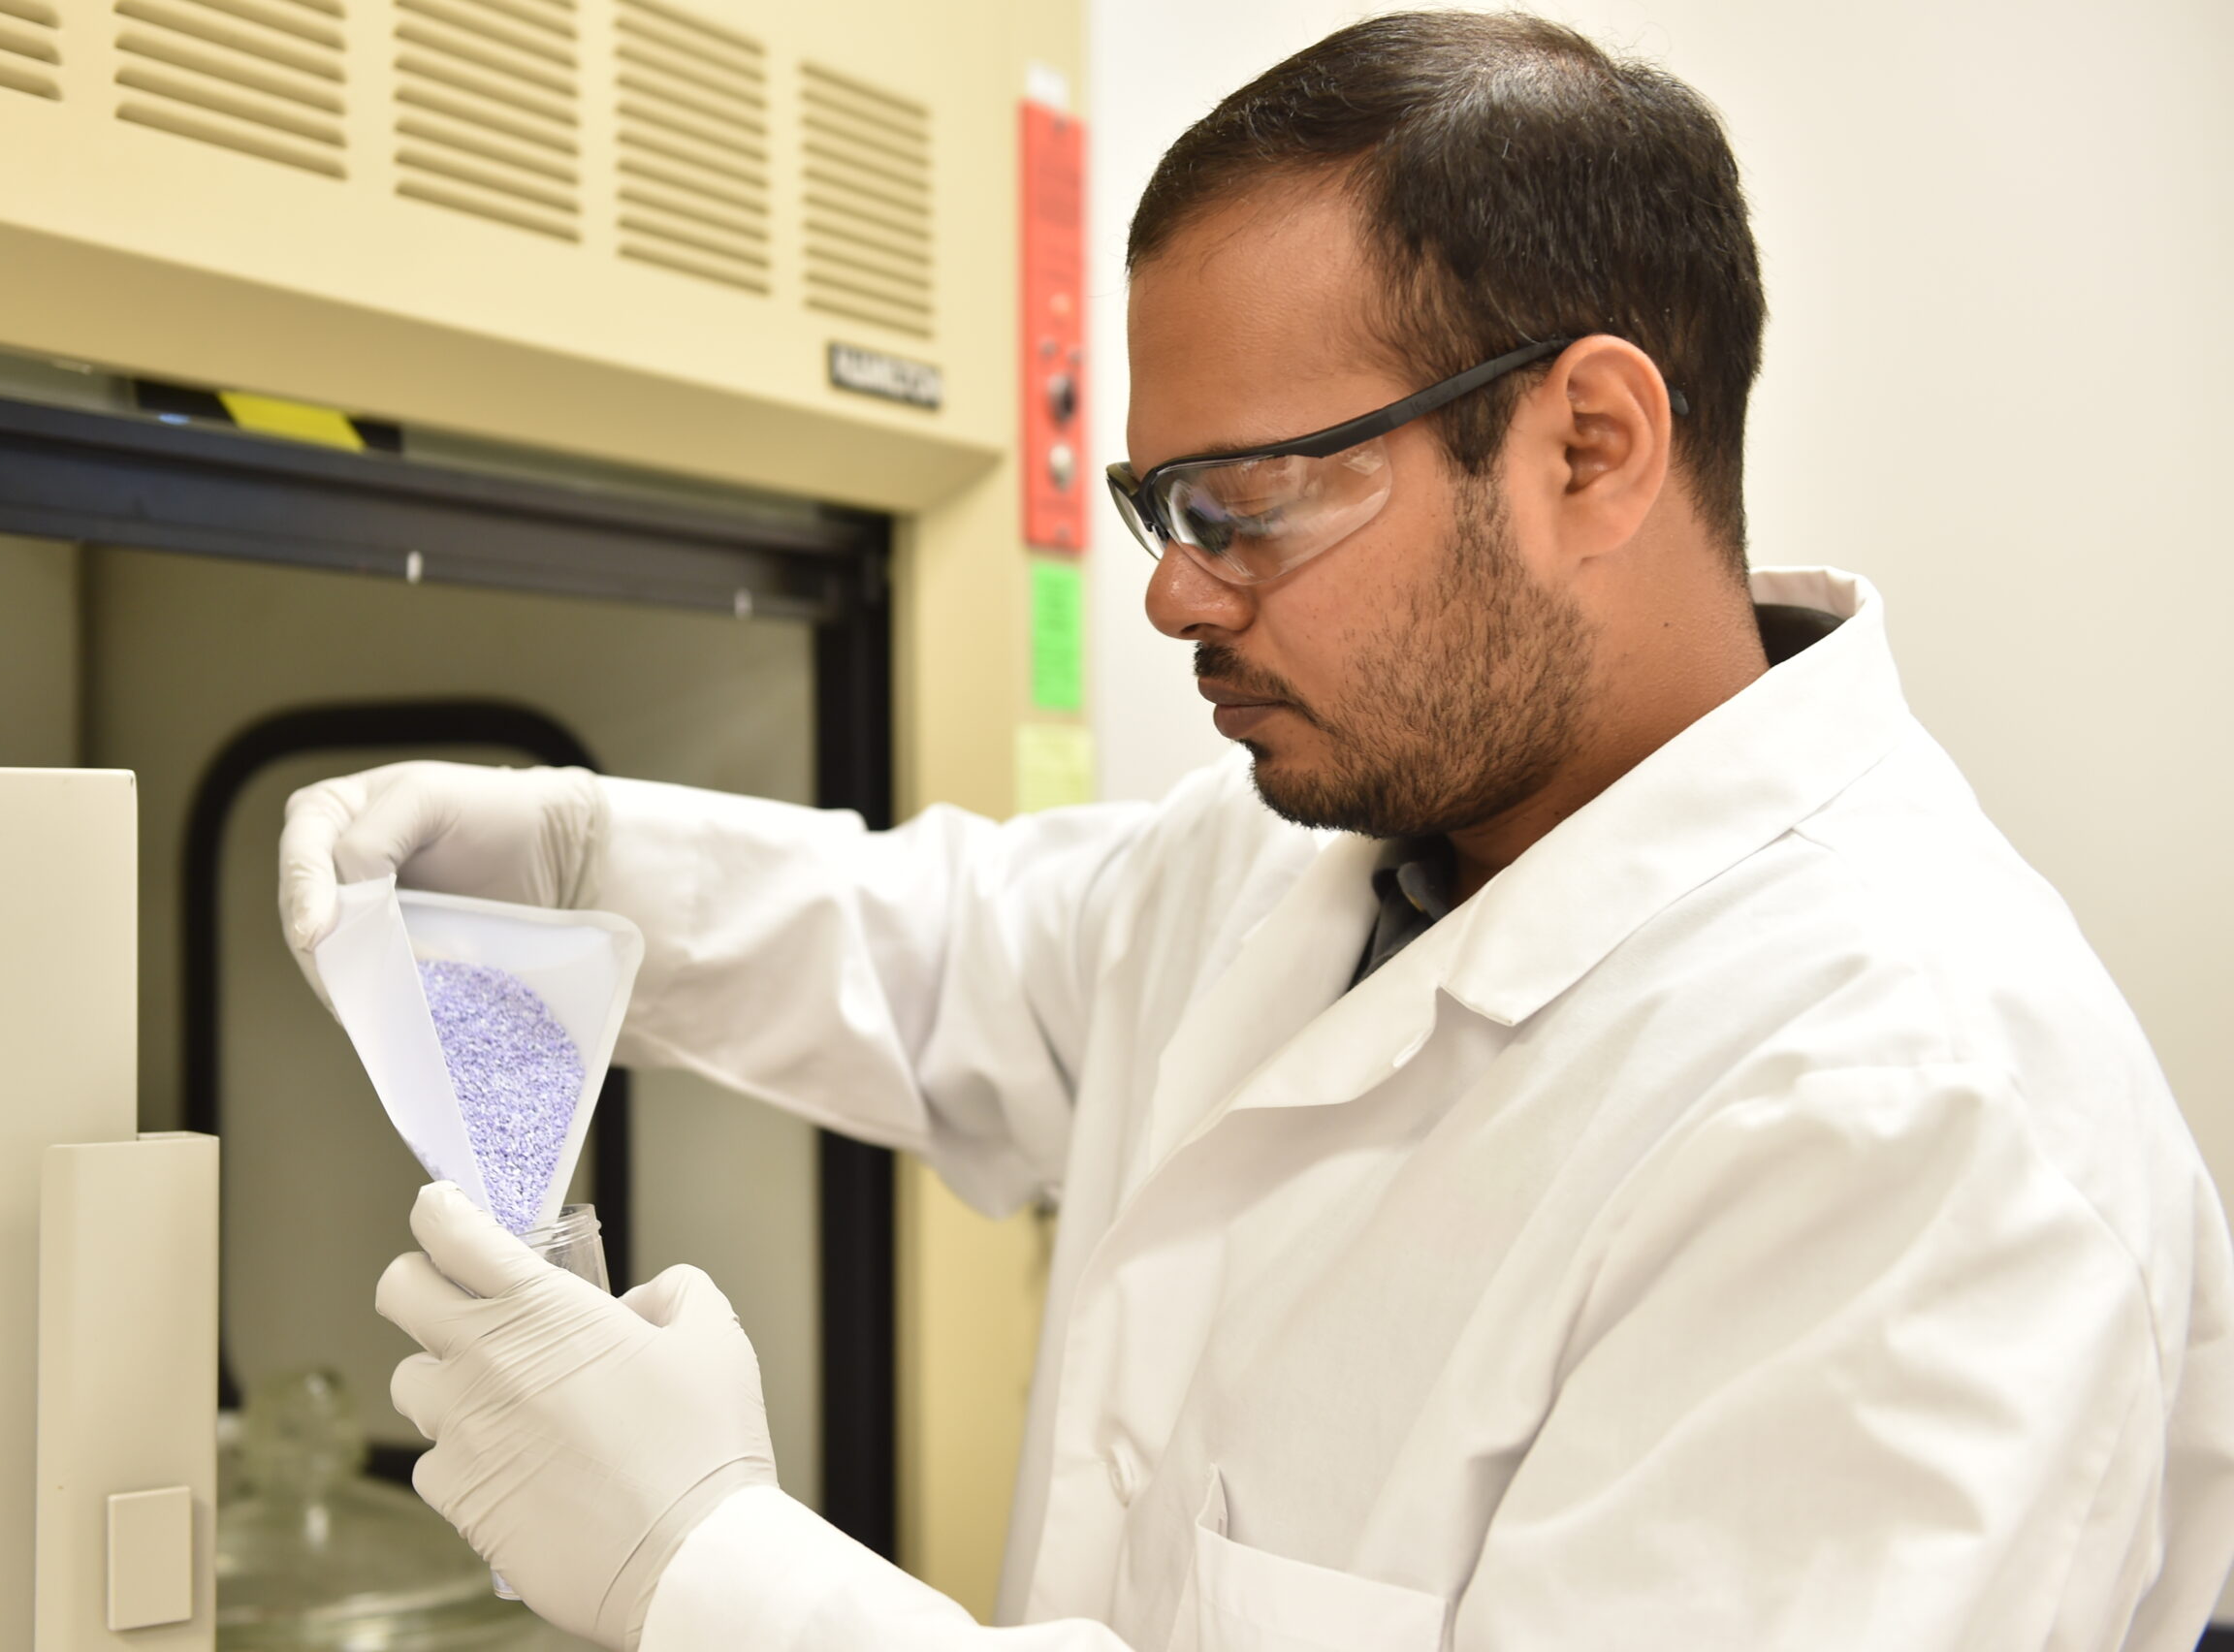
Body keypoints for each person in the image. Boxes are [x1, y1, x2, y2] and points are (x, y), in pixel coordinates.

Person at [279, 14, 2234, 1652]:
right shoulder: (1323, 853)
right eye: (1158, 508)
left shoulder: (1911, 1130)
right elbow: (955, 953)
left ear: (1587, 448)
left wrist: (708, 1567)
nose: (1168, 599)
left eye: (1246, 507)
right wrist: (564, 865)